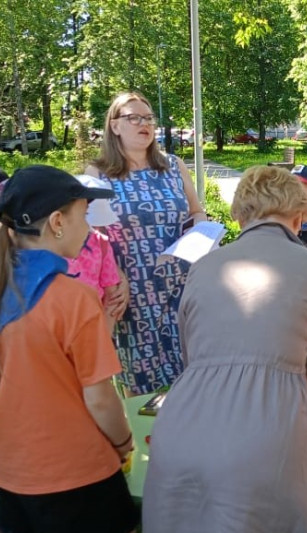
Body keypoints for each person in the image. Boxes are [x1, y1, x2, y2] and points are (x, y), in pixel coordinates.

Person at [142, 165, 307, 533]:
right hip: (270, 434)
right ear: (299, 215)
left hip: (181, 428)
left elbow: (194, 357)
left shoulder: (202, 268)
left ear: (239, 215)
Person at [0, 165, 138, 533]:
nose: (89, 228)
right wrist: (124, 443)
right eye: (84, 216)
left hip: (8, 476)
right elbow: (101, 399)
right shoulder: (73, 298)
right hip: (78, 477)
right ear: (58, 221)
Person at [85, 91, 207, 395]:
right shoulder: (99, 173)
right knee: (143, 390)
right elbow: (92, 236)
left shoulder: (173, 166)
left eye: (149, 118)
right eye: (134, 118)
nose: (145, 124)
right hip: (132, 292)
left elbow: (196, 210)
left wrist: (201, 229)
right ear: (114, 126)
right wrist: (115, 275)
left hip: (182, 286)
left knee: (191, 379)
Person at [66, 175, 125, 333]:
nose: (95, 230)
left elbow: (111, 295)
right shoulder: (49, 248)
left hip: (92, 332)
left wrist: (103, 342)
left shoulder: (101, 242)